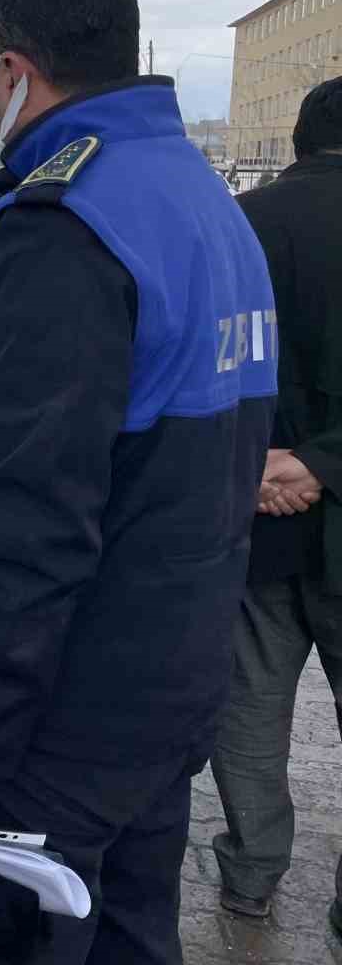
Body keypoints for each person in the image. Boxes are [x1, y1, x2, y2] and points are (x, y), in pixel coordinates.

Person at [0, 0, 277, 963]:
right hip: (160, 696)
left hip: (48, 735)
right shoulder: (197, 200)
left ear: (11, 73)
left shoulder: (61, 228)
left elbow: (26, 528)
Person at [210, 76, 342, 934]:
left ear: (294, 142)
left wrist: (256, 466)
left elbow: (210, 365)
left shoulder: (242, 228)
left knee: (251, 708)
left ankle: (252, 872)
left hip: (257, 514)